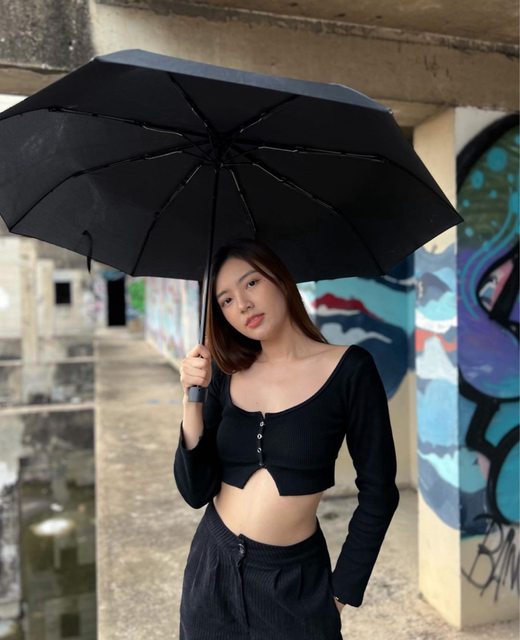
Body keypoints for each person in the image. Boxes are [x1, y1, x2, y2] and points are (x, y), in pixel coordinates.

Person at [173, 238, 399, 640]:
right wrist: (192, 401)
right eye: (226, 300)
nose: (243, 305)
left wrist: (340, 593)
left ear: (280, 278)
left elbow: (379, 492)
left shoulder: (350, 370)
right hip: (211, 569)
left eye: (251, 283)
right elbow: (195, 492)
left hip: (294, 584)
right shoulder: (224, 373)